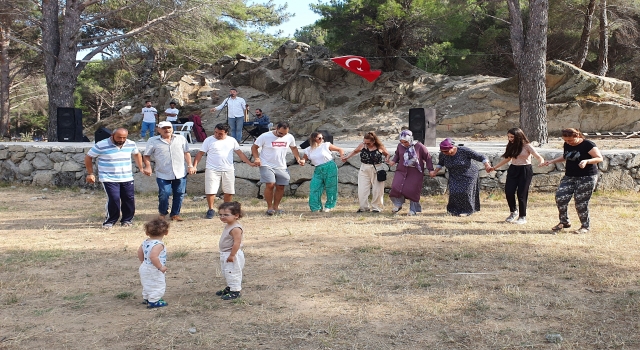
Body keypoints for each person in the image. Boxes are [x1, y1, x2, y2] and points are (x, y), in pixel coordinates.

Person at [541, 128, 603, 234]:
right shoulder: (567, 144)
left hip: (587, 177)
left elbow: (599, 158)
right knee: (560, 197)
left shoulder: (588, 144)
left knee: (580, 202)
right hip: (570, 176)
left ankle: (585, 226)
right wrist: (552, 161)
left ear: (577, 136)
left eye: (570, 140)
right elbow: (566, 156)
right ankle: (564, 222)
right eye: (566, 141)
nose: (568, 142)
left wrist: (586, 161)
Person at [84, 128, 146, 229]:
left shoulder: (131, 144)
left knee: (129, 199)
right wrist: (90, 173)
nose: (121, 140)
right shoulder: (101, 144)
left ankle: (127, 220)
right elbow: (88, 157)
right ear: (112, 135)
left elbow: (137, 154)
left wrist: (141, 168)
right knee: (114, 199)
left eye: (124, 138)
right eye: (119, 137)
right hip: (109, 177)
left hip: (127, 177)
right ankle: (110, 221)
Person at [193, 123, 256, 219]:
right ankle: (211, 209)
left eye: (220, 133)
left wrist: (249, 163)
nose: (217, 135)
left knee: (229, 190)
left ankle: (226, 209)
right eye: (216, 132)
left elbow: (239, 153)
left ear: (226, 133)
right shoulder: (208, 140)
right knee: (211, 190)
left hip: (228, 168)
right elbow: (200, 154)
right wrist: (194, 166)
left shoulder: (232, 140)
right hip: (212, 169)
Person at [142, 121, 197, 222]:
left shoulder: (181, 139)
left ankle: (175, 214)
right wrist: (148, 167)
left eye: (169, 128)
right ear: (159, 129)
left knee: (179, 193)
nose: (167, 130)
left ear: (172, 128)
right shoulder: (153, 140)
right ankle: (163, 213)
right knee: (164, 193)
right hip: (163, 172)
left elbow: (186, 153)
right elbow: (146, 155)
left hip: (180, 172)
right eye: (164, 128)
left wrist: (190, 165)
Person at [488, 128, 544, 225]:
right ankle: (513, 212)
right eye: (508, 137)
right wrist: (495, 167)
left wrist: (541, 162)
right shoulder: (511, 145)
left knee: (521, 194)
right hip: (513, 169)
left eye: (512, 137)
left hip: (525, 170)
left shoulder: (527, 146)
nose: (510, 139)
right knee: (509, 191)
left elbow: (538, 156)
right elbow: (508, 158)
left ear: (518, 136)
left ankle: (522, 216)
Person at [251, 121, 305, 215]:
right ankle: (269, 208)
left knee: (280, 186)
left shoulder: (289, 137)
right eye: (280, 133)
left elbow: (293, 148)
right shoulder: (265, 136)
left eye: (285, 133)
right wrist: (256, 158)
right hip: (266, 164)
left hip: (281, 165)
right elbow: (254, 148)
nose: (282, 135)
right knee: (270, 184)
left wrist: (298, 159)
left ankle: (276, 207)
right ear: (276, 128)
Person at [429, 138, 492, 217]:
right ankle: (453, 210)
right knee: (454, 192)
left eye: (446, 151)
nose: (445, 153)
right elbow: (440, 163)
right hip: (454, 175)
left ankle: (467, 210)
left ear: (452, 147)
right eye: (443, 151)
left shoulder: (463, 151)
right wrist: (435, 172)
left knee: (466, 192)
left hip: (469, 174)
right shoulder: (443, 154)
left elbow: (480, 156)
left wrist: (487, 165)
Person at [341, 131, 390, 213]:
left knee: (378, 190)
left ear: (373, 141)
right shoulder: (362, 145)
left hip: (377, 168)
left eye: (368, 143)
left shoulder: (379, 147)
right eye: (365, 142)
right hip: (364, 168)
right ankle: (363, 207)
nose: (366, 144)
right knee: (362, 189)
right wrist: (347, 157)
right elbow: (355, 151)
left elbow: (387, 154)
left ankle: (376, 208)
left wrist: (387, 159)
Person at [387, 130, 434, 216]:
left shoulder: (419, 146)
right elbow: (397, 155)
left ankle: (413, 210)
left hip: (415, 172)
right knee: (395, 187)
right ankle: (398, 204)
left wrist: (430, 169)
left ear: (410, 139)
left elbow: (428, 158)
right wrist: (393, 161)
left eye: (405, 142)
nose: (404, 144)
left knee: (413, 190)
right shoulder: (400, 146)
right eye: (402, 142)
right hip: (401, 170)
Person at [302, 131, 345, 212]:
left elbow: (340, 149)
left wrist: (342, 156)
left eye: (322, 138)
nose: (322, 139)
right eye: (319, 138)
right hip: (318, 168)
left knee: (331, 187)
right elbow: (304, 158)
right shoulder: (308, 150)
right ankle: (316, 207)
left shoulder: (326, 145)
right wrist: (303, 161)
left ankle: (329, 205)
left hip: (329, 166)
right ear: (314, 139)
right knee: (314, 187)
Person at [215, 201, 245, 300]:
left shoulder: (236, 228)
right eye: (220, 215)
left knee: (233, 272)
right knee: (227, 272)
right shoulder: (228, 224)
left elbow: (237, 242)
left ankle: (235, 291)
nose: (222, 217)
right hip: (226, 253)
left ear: (236, 215)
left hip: (232, 254)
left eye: (226, 215)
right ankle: (230, 287)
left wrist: (232, 255)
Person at [137, 218, 169, 309]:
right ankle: (154, 300)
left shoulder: (146, 242)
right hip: (154, 268)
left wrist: (142, 262)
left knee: (147, 283)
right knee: (157, 284)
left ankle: (147, 297)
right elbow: (153, 257)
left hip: (144, 266)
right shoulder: (158, 244)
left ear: (147, 233)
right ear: (166, 232)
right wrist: (160, 267)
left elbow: (139, 252)